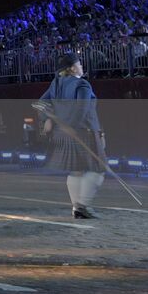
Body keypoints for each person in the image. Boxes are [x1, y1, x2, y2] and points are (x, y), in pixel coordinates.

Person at [39, 52, 106, 218]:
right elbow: (82, 109)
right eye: (79, 64)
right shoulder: (82, 84)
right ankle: (82, 205)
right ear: (72, 68)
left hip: (64, 133)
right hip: (85, 131)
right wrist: (74, 127)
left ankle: (77, 208)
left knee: (76, 170)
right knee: (99, 169)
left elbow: (40, 103)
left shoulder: (55, 84)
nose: (82, 67)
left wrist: (47, 119)